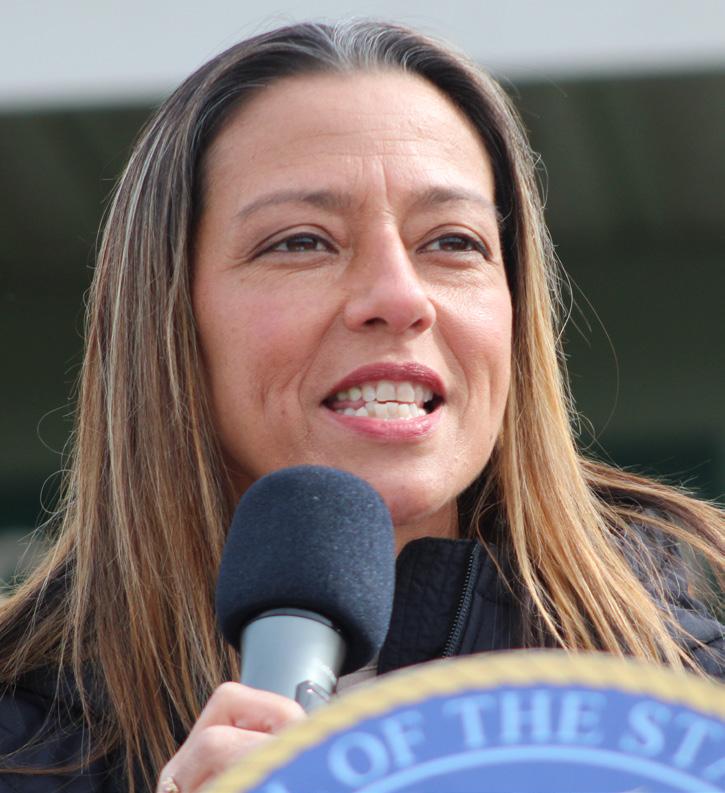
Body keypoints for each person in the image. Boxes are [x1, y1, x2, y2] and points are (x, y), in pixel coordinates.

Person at [0, 19, 722, 793]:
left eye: (452, 241)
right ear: (168, 314)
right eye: (301, 242)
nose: (399, 298)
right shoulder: (22, 739)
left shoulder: (691, 713)